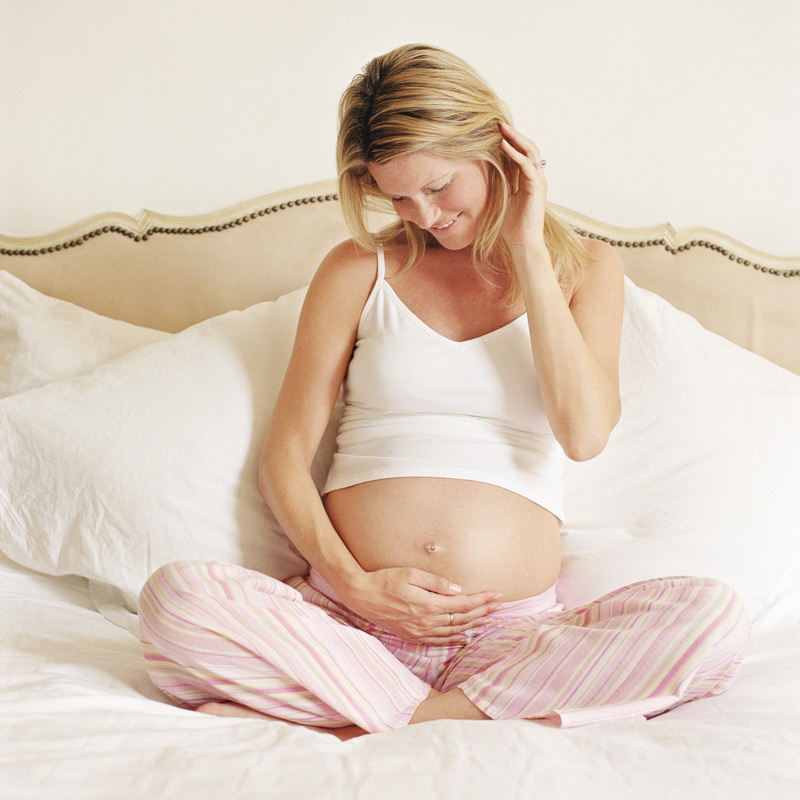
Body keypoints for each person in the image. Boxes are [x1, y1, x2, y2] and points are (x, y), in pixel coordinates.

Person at [138, 44, 750, 737]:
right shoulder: (358, 268)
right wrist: (352, 582)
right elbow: (285, 456)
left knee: (715, 620)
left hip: (510, 642)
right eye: (397, 195)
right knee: (175, 602)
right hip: (349, 622)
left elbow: (584, 433)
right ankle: (470, 718)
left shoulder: (584, 269)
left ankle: (384, 716)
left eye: (438, 186)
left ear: (496, 147)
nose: (423, 214)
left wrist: (526, 247)